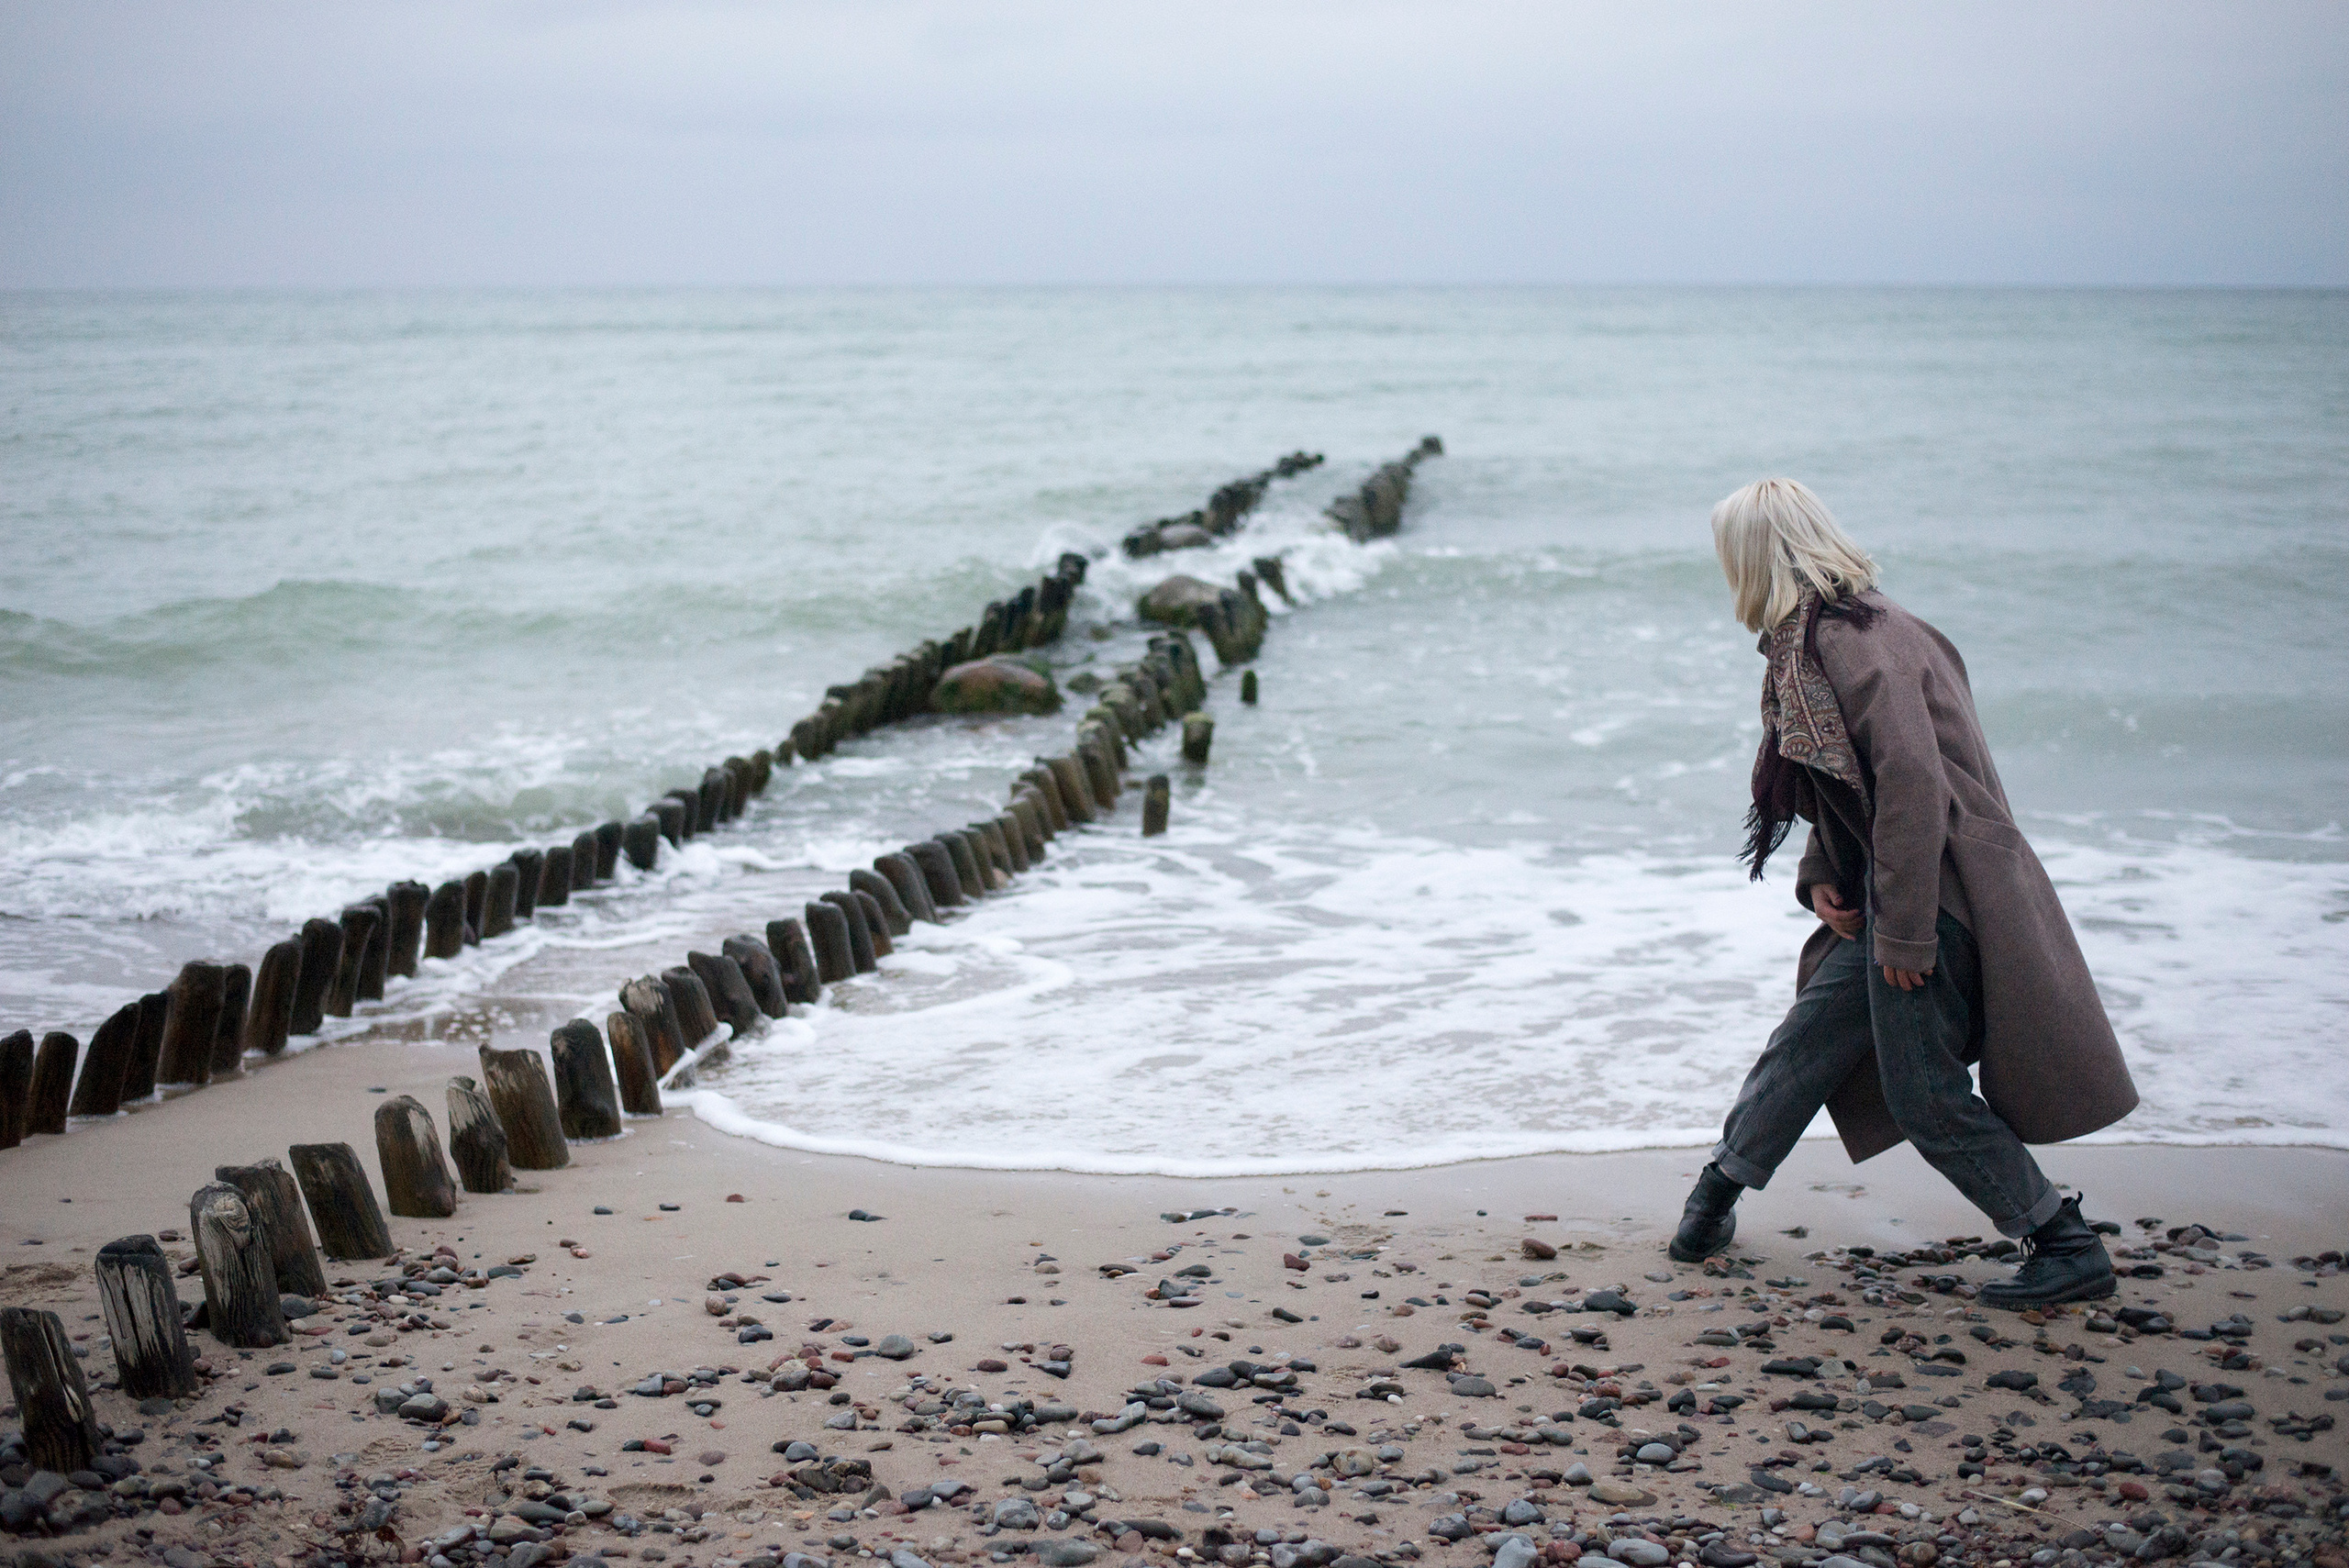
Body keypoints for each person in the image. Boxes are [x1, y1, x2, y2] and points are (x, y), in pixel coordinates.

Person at [1674, 478, 2138, 1309]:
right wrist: (1823, 870)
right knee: (1807, 1041)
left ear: (1754, 557)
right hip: (1897, 883)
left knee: (1924, 1090)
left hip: (1939, 891)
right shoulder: (1830, 633)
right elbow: (1849, 783)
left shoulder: (1849, 641)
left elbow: (1915, 785)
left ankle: (2063, 1242)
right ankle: (1711, 1203)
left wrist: (1908, 935)